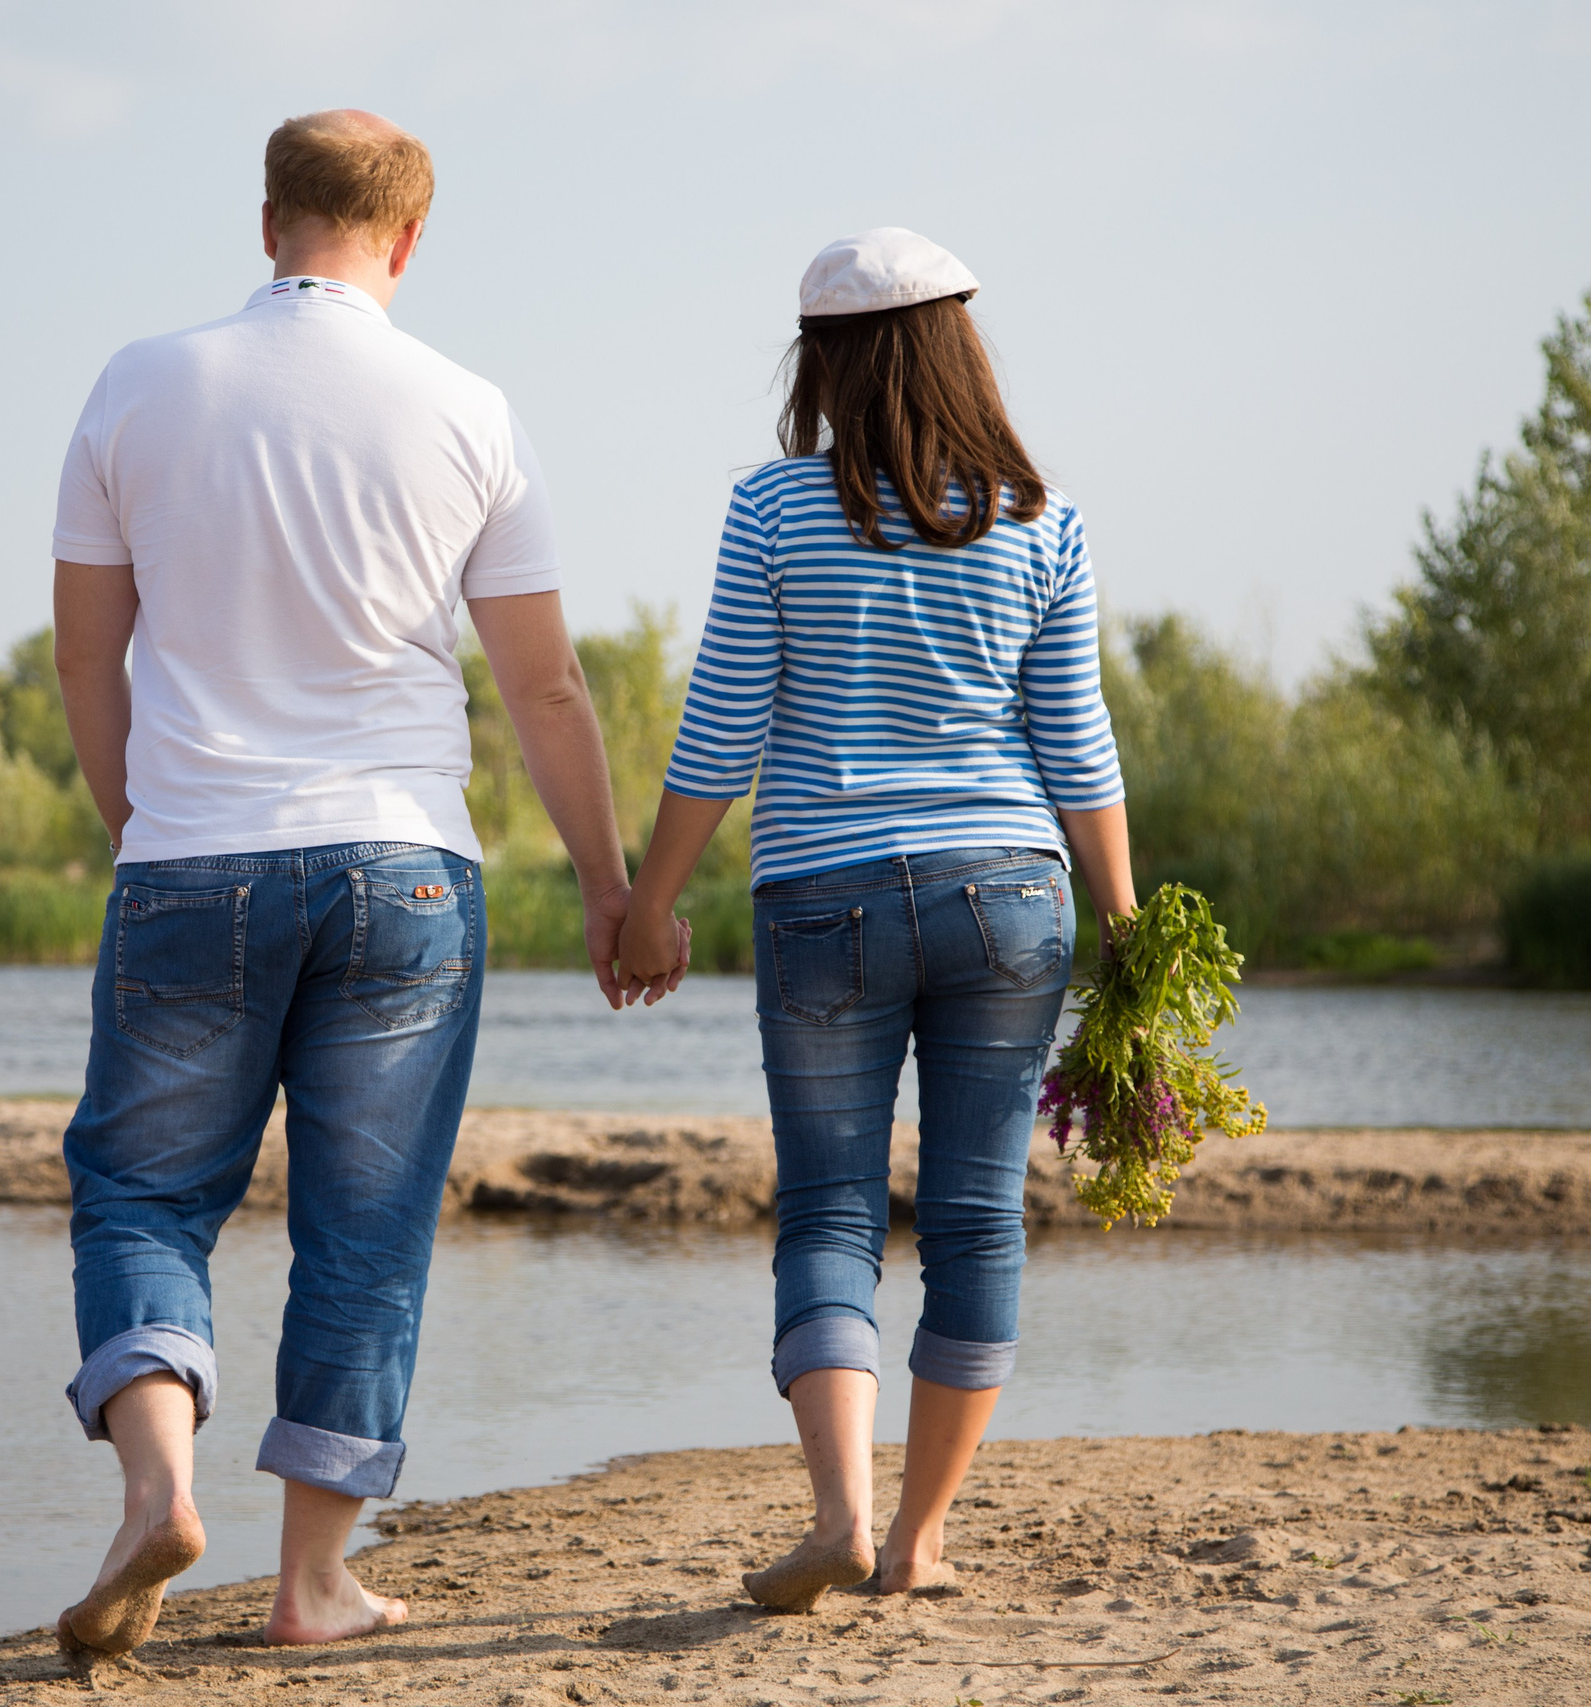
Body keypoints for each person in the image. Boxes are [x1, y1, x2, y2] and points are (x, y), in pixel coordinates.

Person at [46, 109, 678, 1659]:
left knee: (142, 1191)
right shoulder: (469, 409)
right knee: (368, 1228)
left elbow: (86, 651)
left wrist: (145, 824)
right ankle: (313, 1583)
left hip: (193, 855)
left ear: (267, 223)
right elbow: (546, 693)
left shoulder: (137, 384)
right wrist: (608, 883)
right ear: (408, 242)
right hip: (403, 867)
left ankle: (156, 1487)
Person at [618, 229, 1134, 1611]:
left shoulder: (775, 512)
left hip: (826, 894)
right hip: (1011, 892)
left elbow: (722, 731)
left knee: (831, 1211)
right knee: (977, 1218)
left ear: (827, 363)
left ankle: (841, 1518)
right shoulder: (1047, 519)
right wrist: (1127, 927)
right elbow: (1076, 746)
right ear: (964, 349)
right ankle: (919, 1544)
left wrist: (647, 903)